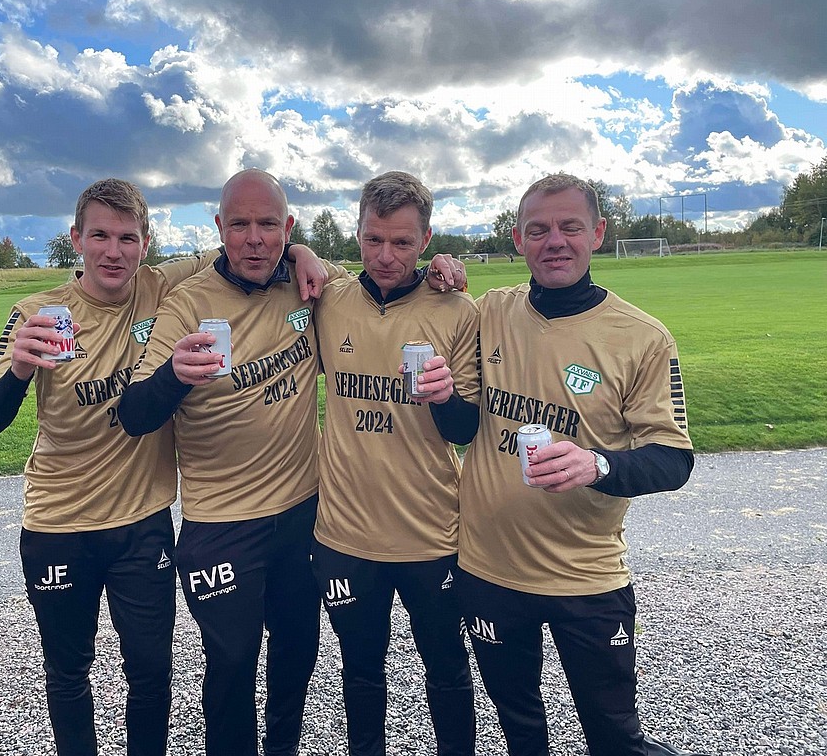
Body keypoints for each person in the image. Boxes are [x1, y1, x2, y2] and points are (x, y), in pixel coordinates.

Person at [0, 177, 325, 756]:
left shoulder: (159, 287)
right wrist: (18, 370)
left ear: (145, 243)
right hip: (59, 520)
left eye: (127, 238)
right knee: (68, 671)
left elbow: (241, 246)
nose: (114, 252)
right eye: (100, 236)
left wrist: (302, 250)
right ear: (76, 239)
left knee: (151, 674)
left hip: (142, 519)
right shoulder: (38, 313)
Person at [456, 173, 697, 756]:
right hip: (488, 570)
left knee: (613, 735)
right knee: (520, 729)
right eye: (538, 230)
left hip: (586, 577)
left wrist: (597, 465)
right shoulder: (490, 311)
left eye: (570, 227)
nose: (555, 241)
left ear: (598, 233)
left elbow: (673, 459)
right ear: (518, 239)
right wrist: (440, 268)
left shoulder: (642, 337)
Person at [117, 168, 325, 756]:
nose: (254, 239)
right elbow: (134, 413)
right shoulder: (187, 304)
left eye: (268, 225)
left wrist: (442, 270)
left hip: (302, 512)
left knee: (297, 650)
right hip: (222, 523)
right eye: (239, 225)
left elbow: (386, 287)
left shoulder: (309, 283)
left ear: (288, 227)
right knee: (232, 663)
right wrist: (173, 376)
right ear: (218, 228)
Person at [311, 171, 479, 756]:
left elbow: (465, 430)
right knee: (360, 671)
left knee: (447, 667)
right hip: (345, 535)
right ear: (357, 232)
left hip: (430, 532)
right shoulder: (329, 299)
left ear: (426, 240)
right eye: (373, 239)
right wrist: (302, 249)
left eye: (403, 242)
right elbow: (272, 258)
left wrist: (446, 398)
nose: (386, 256)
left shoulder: (457, 310)